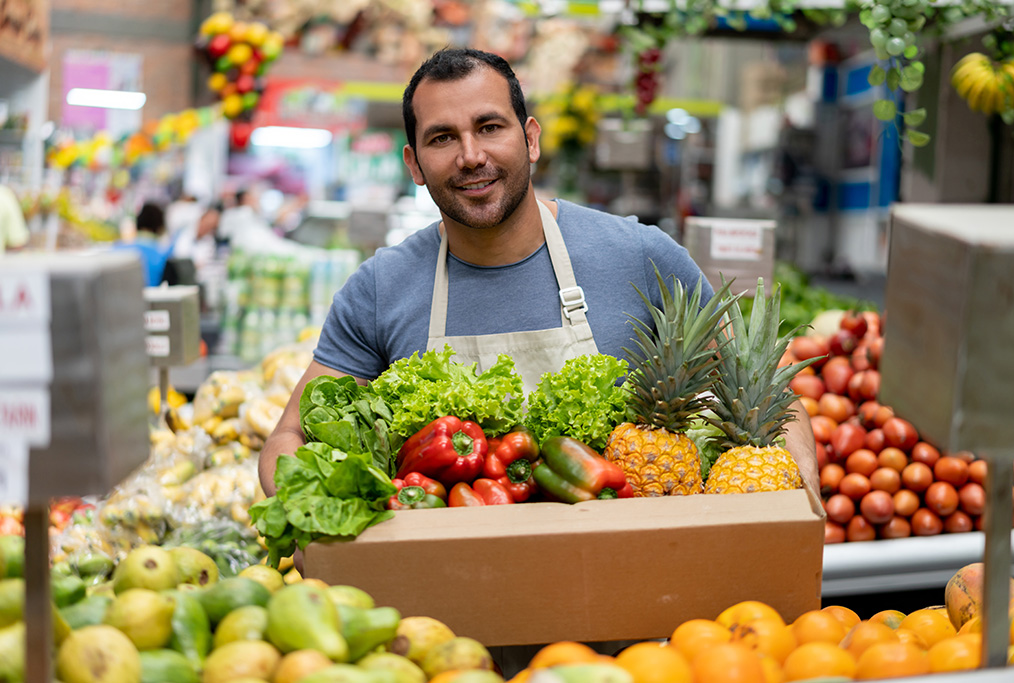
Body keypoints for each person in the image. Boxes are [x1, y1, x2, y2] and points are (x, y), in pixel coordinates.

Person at [259, 45, 818, 674]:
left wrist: (796, 506)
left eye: (489, 127)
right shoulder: (382, 286)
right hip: (447, 642)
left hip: (637, 636)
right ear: (414, 164)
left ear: (530, 138)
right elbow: (289, 435)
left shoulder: (638, 257)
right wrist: (312, 521)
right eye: (443, 137)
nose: (471, 155)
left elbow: (769, 393)